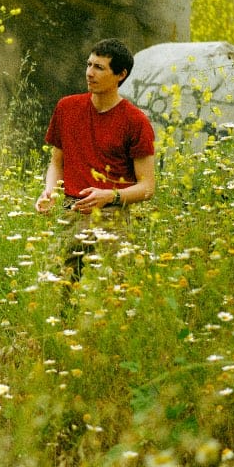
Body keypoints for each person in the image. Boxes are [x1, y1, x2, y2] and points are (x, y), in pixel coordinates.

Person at [35, 38, 156, 285]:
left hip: (113, 218)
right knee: (57, 289)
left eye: (99, 68)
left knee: (111, 296)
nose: (90, 73)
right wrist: (50, 192)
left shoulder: (135, 121)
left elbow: (147, 188)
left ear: (120, 75)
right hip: (70, 211)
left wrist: (110, 196)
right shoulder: (67, 107)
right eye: (89, 65)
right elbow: (57, 163)